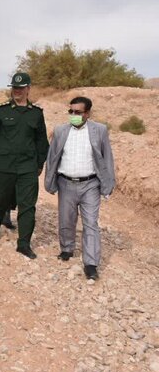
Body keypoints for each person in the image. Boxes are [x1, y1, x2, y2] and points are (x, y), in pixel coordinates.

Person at [44, 97, 115, 280]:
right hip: (66, 183)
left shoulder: (99, 130)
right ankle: (67, 249)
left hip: (90, 184)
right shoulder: (60, 131)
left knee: (91, 223)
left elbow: (107, 158)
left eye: (78, 112)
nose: (73, 116)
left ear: (87, 113)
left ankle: (91, 263)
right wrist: (49, 181)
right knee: (66, 220)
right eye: (71, 112)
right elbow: (52, 157)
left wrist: (107, 184)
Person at [0, 72, 49, 259]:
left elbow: (41, 141)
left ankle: (24, 243)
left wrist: (39, 164)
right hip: (5, 165)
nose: (17, 91)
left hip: (27, 167)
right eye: (14, 88)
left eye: (21, 88)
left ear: (28, 89)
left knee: (28, 206)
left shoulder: (36, 113)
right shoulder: (2, 110)